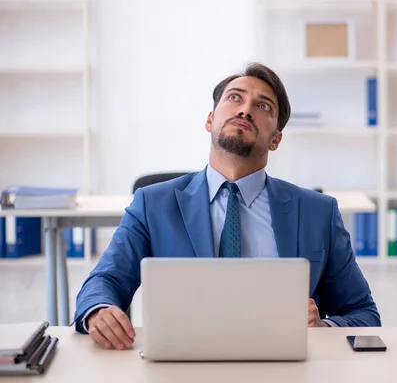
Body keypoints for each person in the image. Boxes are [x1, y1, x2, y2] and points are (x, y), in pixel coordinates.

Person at [73, 62, 381, 350]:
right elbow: (105, 280)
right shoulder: (153, 203)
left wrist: (323, 327)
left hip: (284, 367)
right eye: (235, 98)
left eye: (263, 106)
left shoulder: (318, 212)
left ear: (276, 139)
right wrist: (99, 311)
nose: (246, 110)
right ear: (210, 120)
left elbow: (364, 313)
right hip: (180, 364)